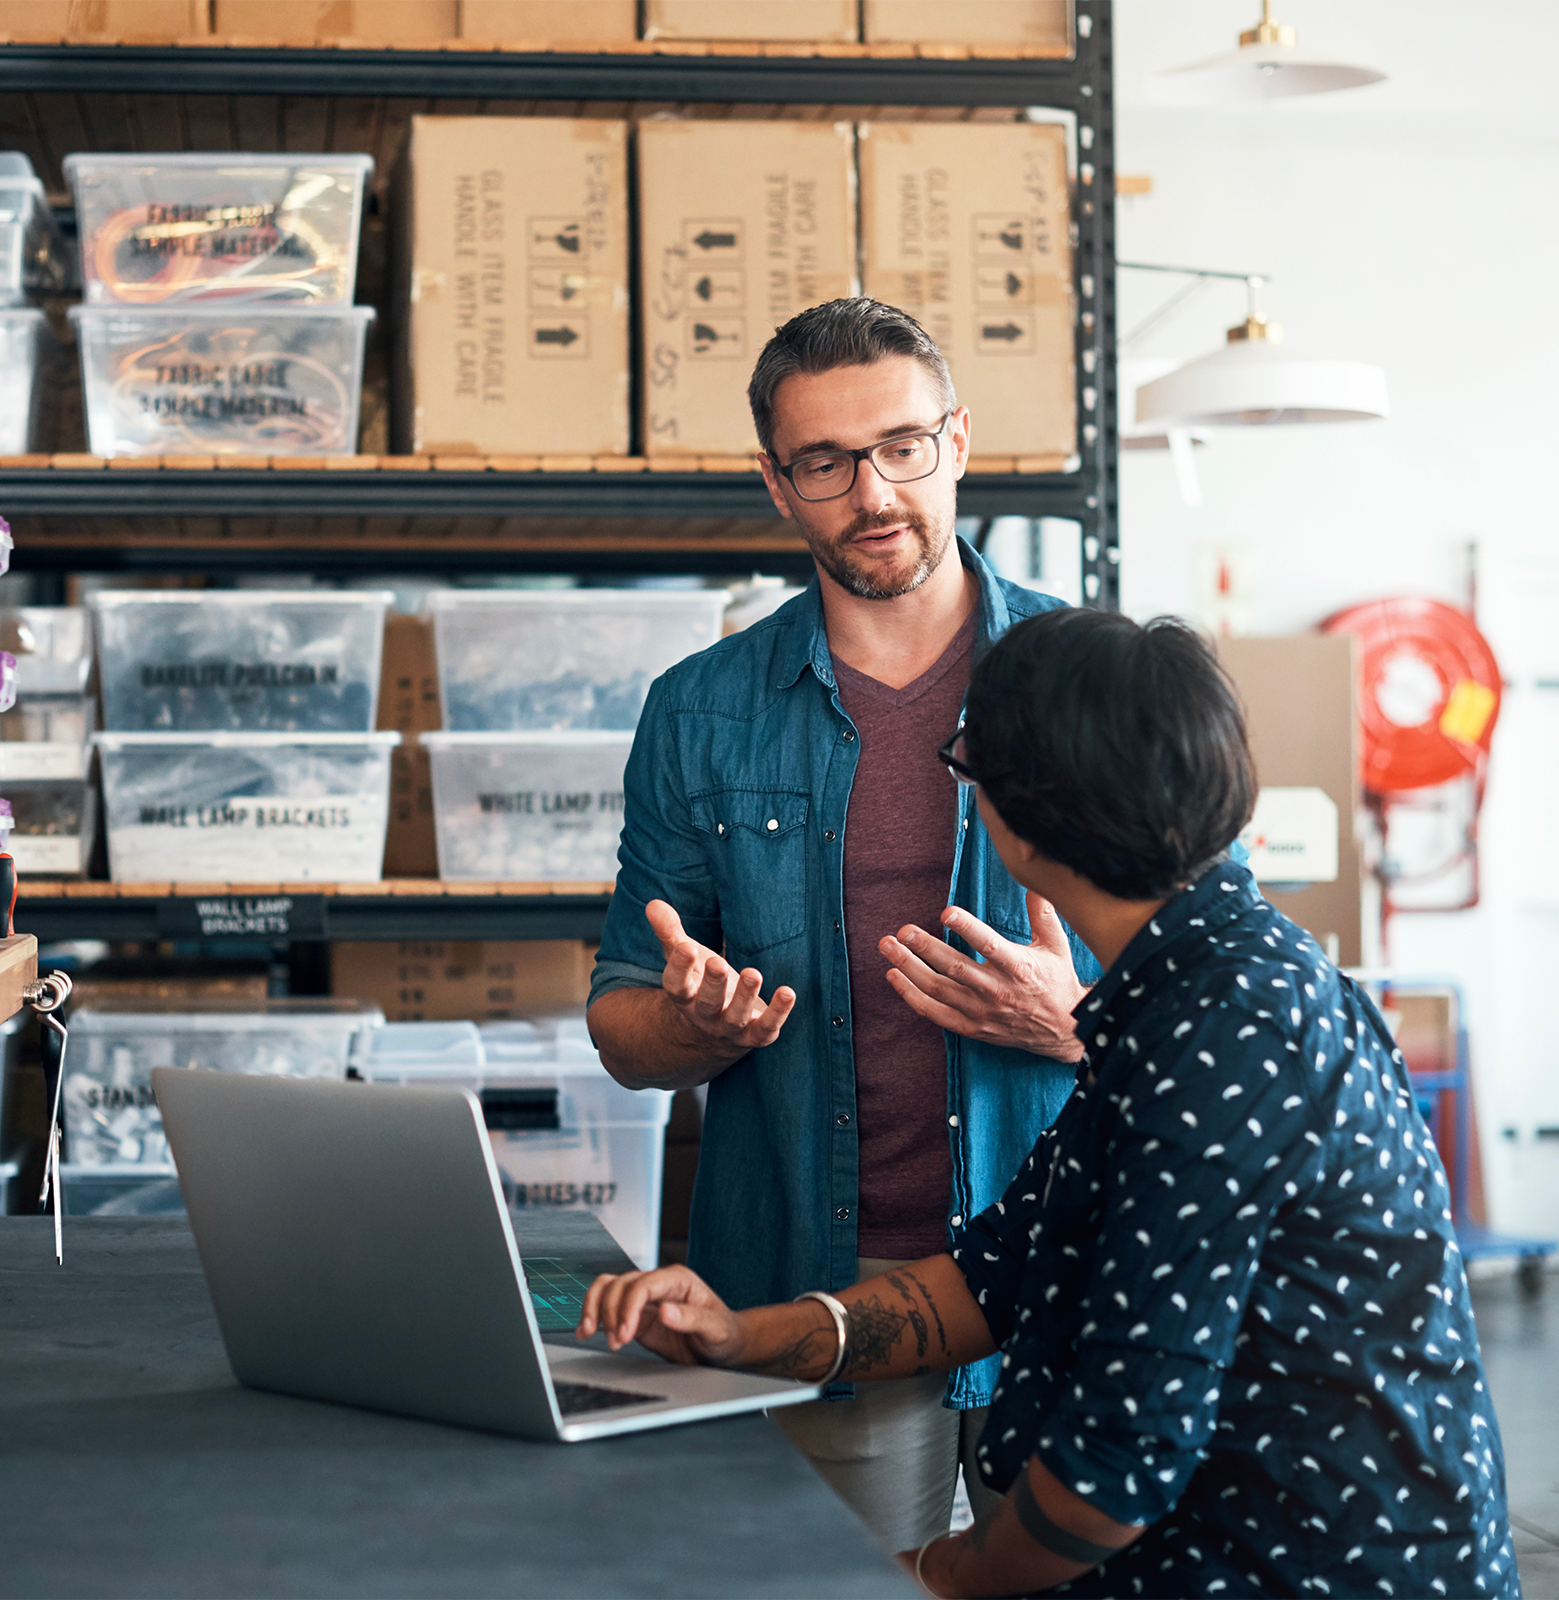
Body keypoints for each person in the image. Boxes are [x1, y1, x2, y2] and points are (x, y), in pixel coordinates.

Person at [578, 608, 1516, 1600]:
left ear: (1018, 821)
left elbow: (1115, 1466)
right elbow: (998, 1273)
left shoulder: (1223, 1035)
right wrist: (743, 1333)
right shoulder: (1184, 991)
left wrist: (926, 1575)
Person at [587, 298, 1100, 1550]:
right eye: (826, 462)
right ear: (778, 485)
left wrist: (1077, 1021)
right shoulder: (700, 712)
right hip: (815, 1290)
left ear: (959, 441)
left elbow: (1247, 1000)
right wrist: (692, 1028)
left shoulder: (1101, 678)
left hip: (1078, 1281)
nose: (873, 492)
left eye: (903, 447)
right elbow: (618, 1023)